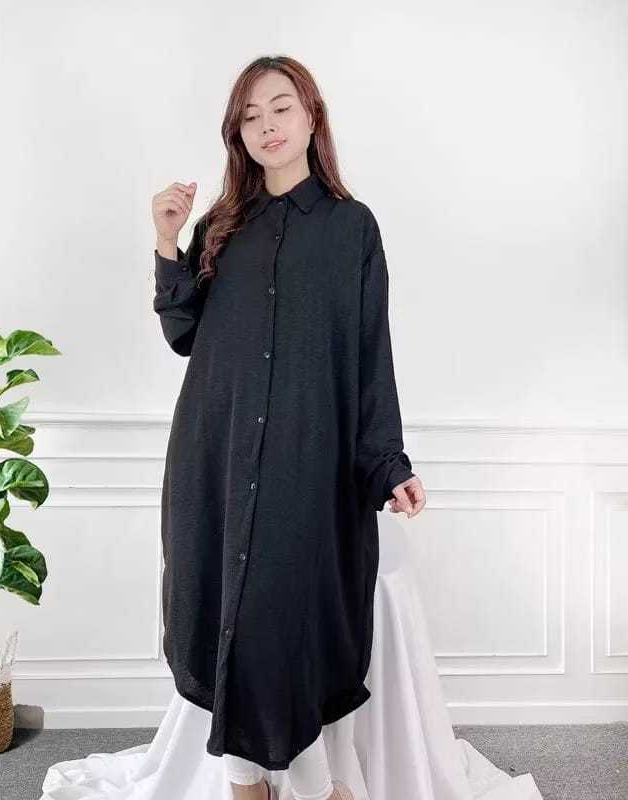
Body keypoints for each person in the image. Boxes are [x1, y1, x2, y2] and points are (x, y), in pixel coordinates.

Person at [150, 55, 427, 800]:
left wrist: (388, 463)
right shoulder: (221, 225)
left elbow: (370, 353)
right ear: (237, 133)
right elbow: (183, 333)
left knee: (289, 618)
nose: (267, 126)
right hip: (215, 451)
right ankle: (248, 783)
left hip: (309, 459)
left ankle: (312, 782)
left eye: (280, 108)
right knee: (224, 611)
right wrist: (168, 241)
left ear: (311, 117)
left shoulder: (351, 228)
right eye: (250, 116)